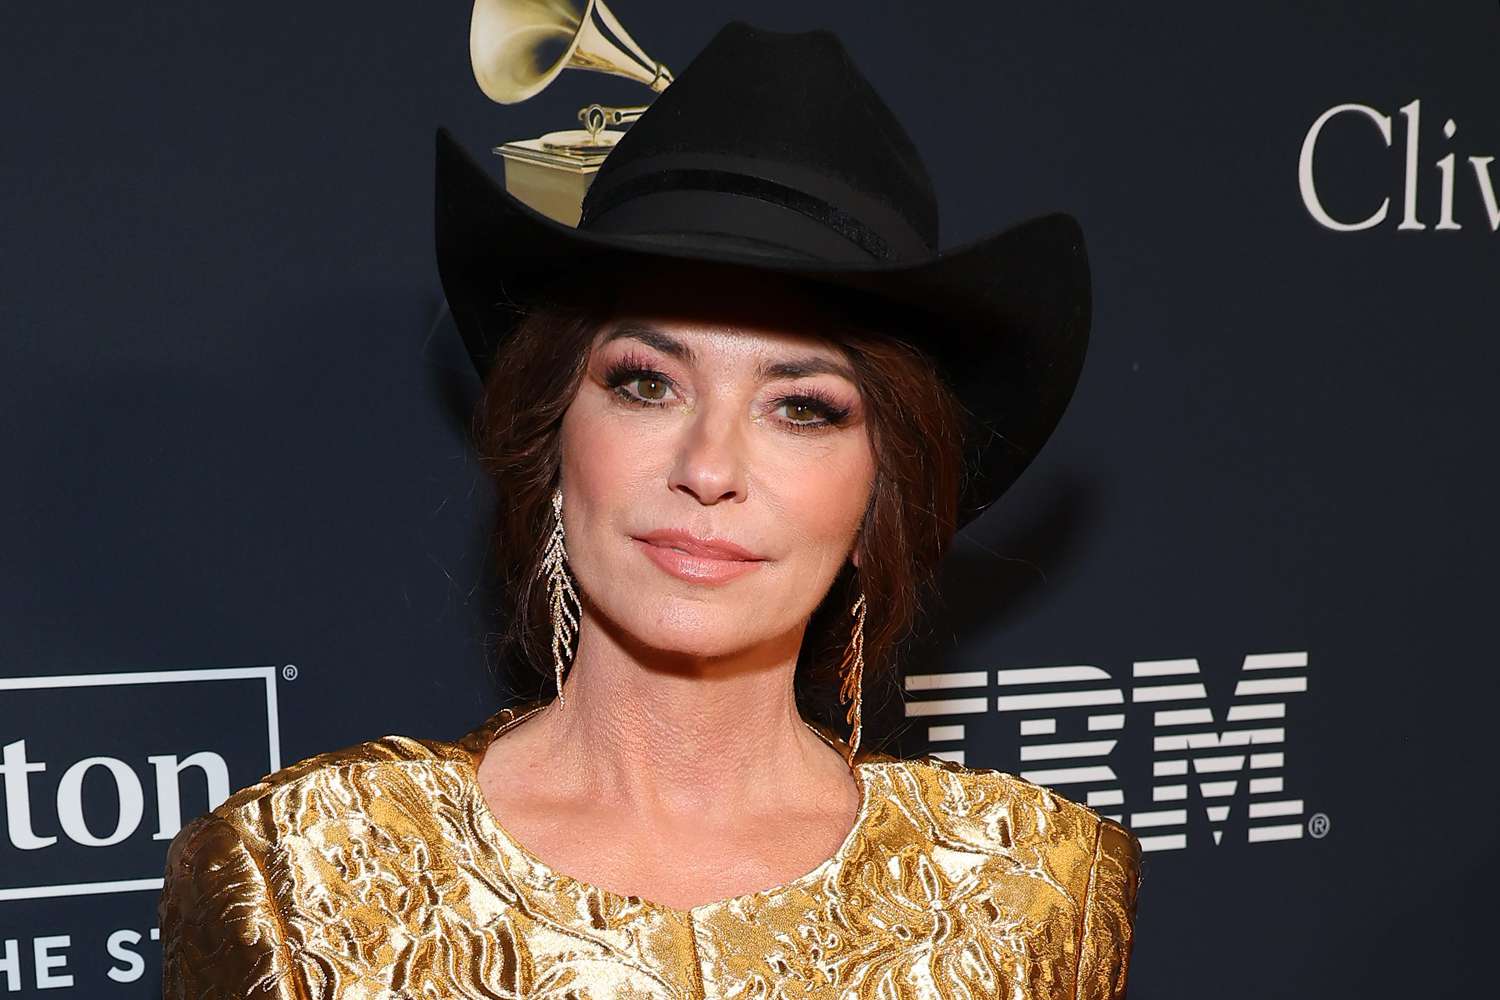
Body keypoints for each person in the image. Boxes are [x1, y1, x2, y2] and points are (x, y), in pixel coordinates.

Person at [159, 20, 1142, 1000]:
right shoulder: (303, 880)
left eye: (802, 406)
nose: (709, 467)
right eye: (646, 383)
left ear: (881, 489)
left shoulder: (1031, 894)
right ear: (552, 436)